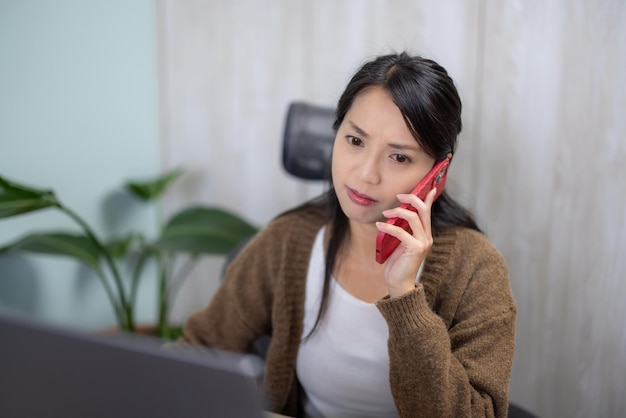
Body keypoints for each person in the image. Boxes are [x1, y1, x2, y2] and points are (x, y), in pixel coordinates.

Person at [182, 52, 516, 418]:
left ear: (437, 173)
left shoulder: (476, 269)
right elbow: (197, 350)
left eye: (399, 157)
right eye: (355, 141)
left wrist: (405, 297)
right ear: (336, 132)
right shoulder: (288, 240)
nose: (366, 174)